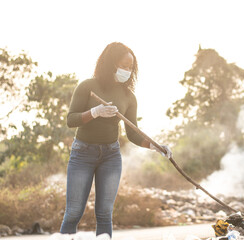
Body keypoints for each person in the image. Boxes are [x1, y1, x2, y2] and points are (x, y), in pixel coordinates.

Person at [60, 42, 172, 237]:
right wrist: (95, 112)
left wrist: (156, 146)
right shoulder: (87, 86)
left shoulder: (129, 97)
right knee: (73, 212)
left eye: (131, 68)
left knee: (104, 213)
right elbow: (71, 120)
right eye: (124, 66)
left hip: (111, 157)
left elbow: (133, 134)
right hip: (82, 154)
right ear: (111, 63)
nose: (127, 71)